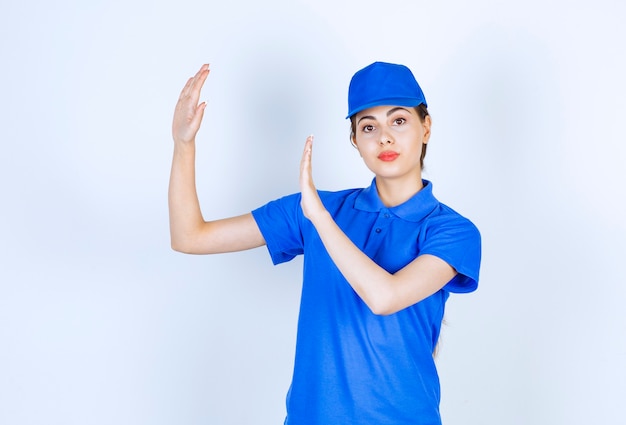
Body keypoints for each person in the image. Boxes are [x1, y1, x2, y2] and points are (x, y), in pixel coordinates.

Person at [169, 61, 481, 425]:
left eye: (399, 121)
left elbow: (385, 298)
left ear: (425, 127)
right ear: (355, 141)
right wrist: (183, 144)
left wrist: (319, 218)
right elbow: (190, 237)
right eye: (368, 127)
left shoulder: (452, 230)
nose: (384, 137)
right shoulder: (316, 206)